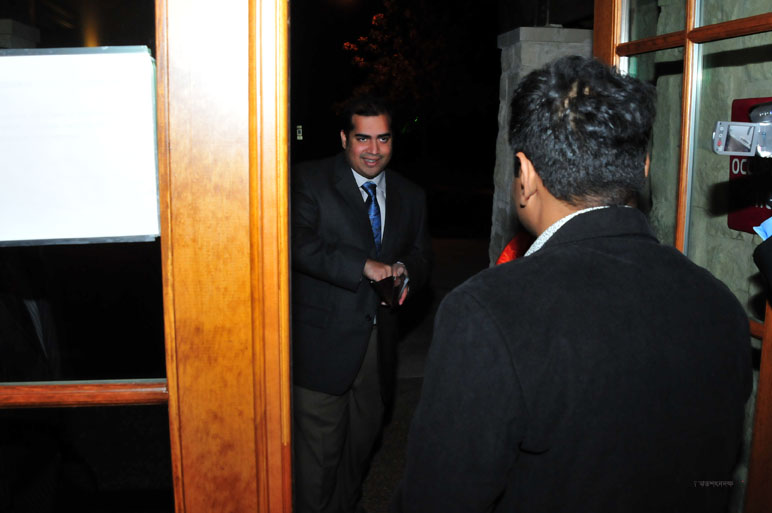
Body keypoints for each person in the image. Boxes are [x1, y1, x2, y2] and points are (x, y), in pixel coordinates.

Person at [392, 55, 752, 512]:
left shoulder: (488, 312)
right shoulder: (718, 302)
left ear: (524, 176)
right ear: (643, 168)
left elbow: (439, 498)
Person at [291, 95, 432, 513]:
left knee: (360, 449)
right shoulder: (308, 180)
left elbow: (422, 255)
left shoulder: (411, 194)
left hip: (378, 348)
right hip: (321, 347)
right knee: (317, 464)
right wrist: (362, 265)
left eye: (383, 138)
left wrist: (406, 270)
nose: (374, 149)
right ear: (344, 138)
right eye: (363, 138)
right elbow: (297, 244)